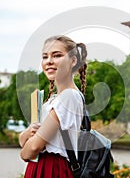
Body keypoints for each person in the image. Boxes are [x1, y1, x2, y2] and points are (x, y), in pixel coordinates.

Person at [19, 35, 88, 178]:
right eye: (45, 57)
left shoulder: (68, 97)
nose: (49, 61)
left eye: (57, 55)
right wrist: (27, 136)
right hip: (43, 168)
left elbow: (33, 147)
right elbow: (23, 139)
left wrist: (24, 152)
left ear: (73, 61)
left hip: (52, 169)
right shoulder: (54, 99)